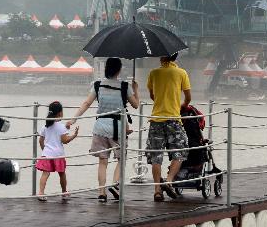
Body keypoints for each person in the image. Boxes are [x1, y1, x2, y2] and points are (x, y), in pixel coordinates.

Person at [67, 57, 140, 202]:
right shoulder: (125, 86)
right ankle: (115, 184)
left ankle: (101, 192)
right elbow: (136, 105)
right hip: (117, 128)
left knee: (102, 161)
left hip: (100, 127)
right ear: (119, 70)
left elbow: (87, 103)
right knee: (121, 159)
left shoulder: (97, 84)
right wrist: (136, 90)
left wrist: (73, 119)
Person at [147, 53, 192, 201]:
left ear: (161, 57)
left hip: (156, 119)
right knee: (180, 151)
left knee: (156, 156)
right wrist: (182, 106)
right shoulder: (181, 73)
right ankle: (169, 180)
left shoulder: (153, 73)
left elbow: (153, 96)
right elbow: (188, 97)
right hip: (173, 119)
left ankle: (157, 191)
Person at [37, 101, 79, 202]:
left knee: (45, 174)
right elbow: (65, 141)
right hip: (58, 155)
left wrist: (44, 150)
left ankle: (41, 193)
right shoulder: (61, 127)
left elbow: (41, 140)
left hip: (47, 154)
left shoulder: (45, 126)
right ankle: (64, 192)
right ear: (60, 113)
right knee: (62, 173)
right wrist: (74, 135)